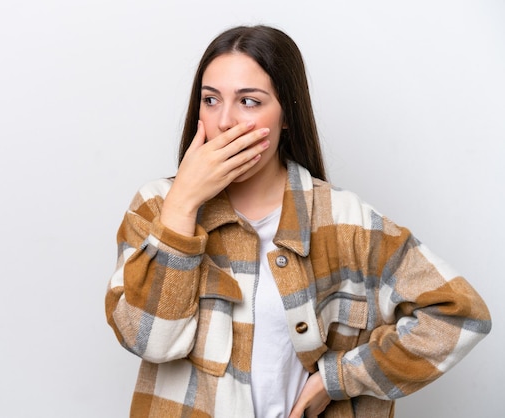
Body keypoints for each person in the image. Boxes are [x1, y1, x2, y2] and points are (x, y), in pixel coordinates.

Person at [105, 25, 491, 417]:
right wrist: (183, 204)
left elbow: (459, 314)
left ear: (286, 114)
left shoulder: (344, 220)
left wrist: (338, 378)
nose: (224, 121)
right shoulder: (156, 206)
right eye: (210, 99)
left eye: (249, 102)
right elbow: (148, 341)